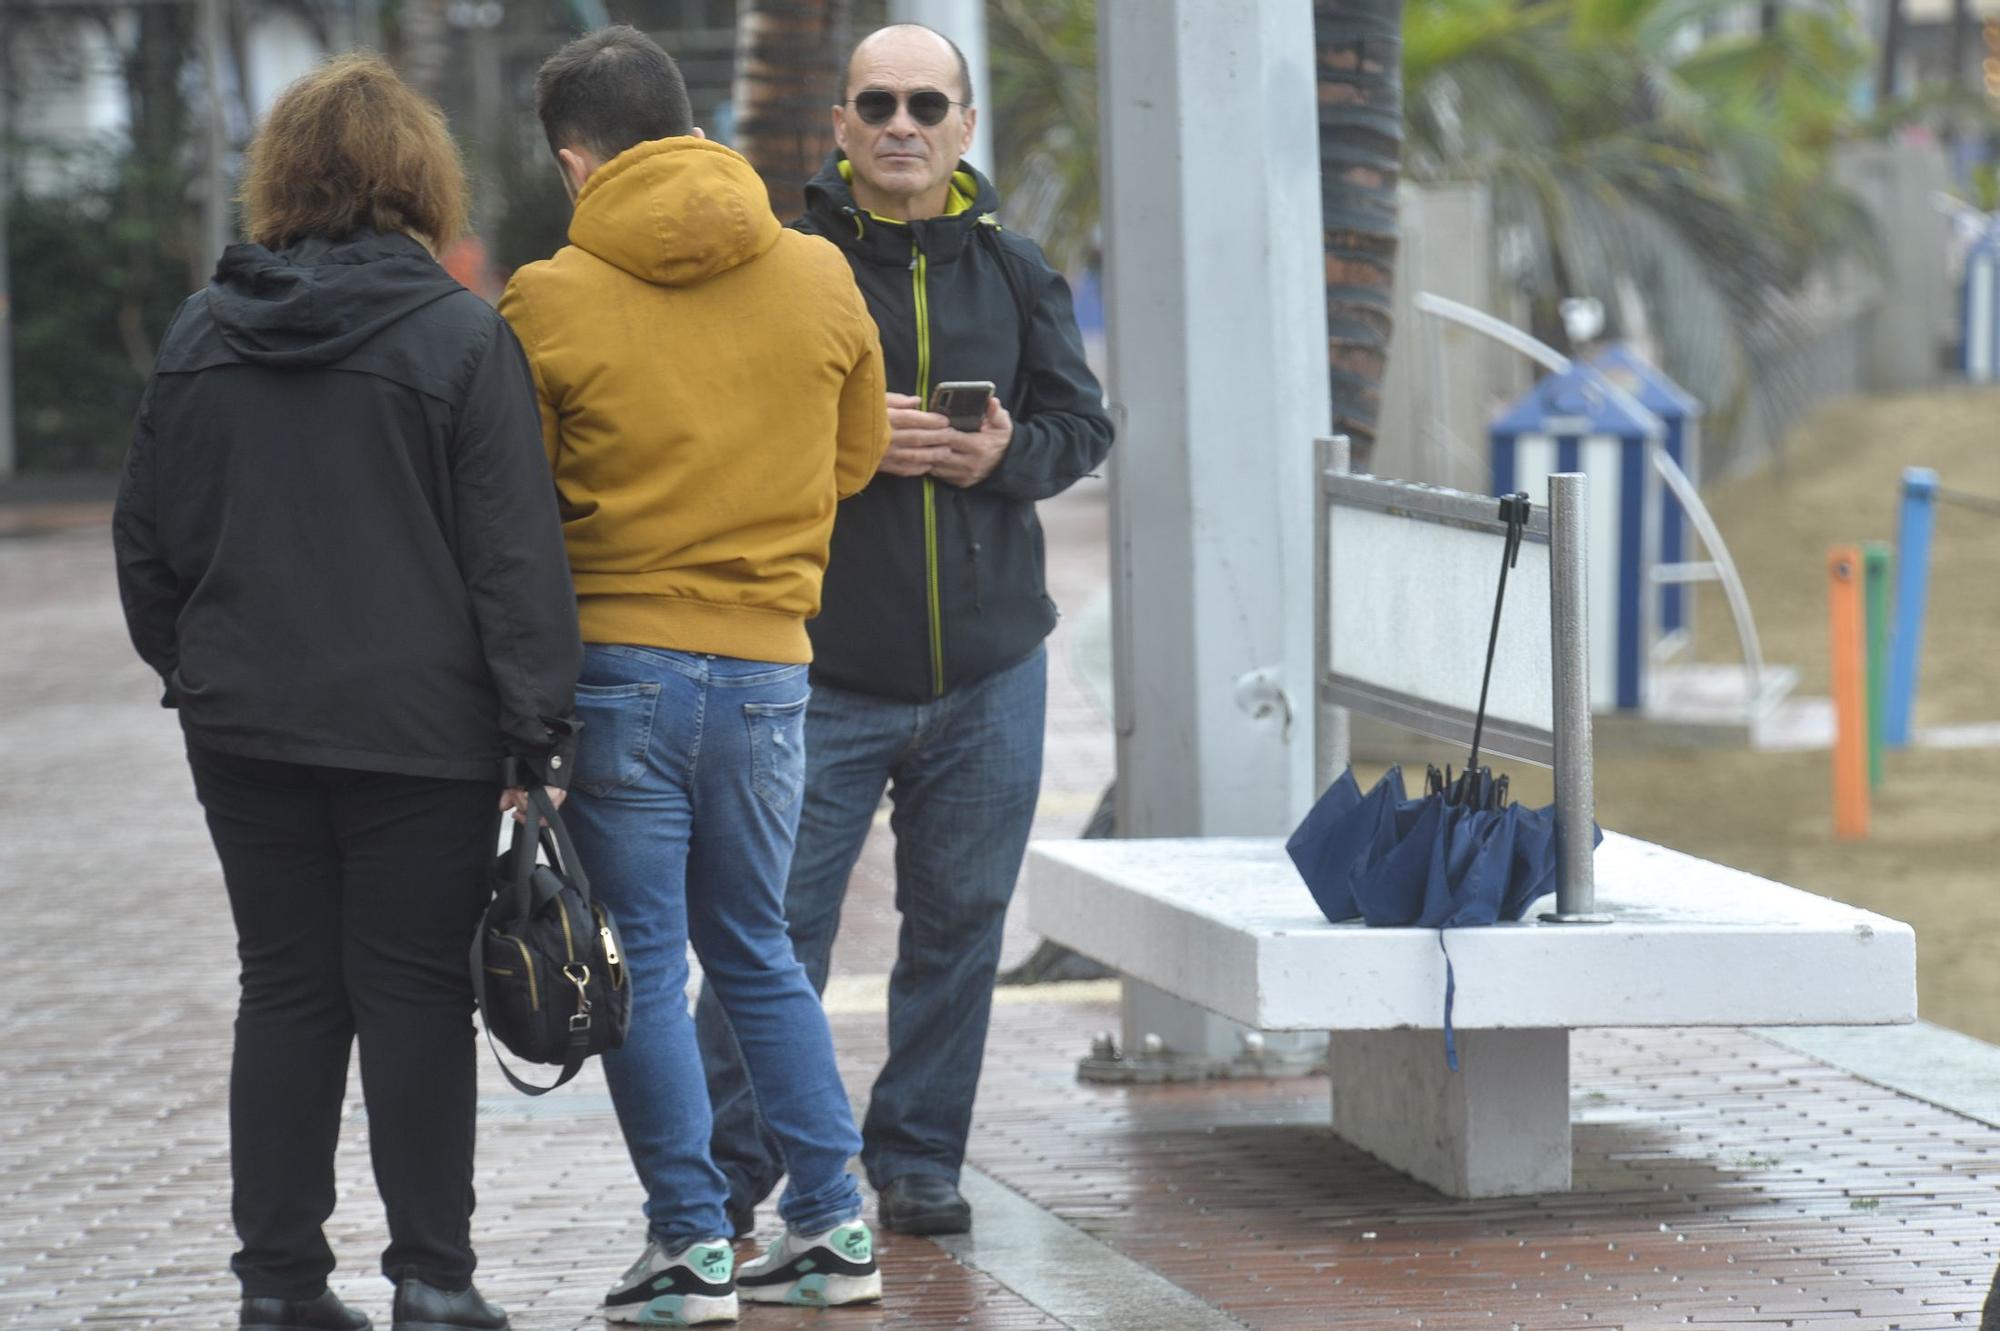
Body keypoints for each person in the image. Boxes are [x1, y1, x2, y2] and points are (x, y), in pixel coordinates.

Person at [111, 55, 580, 1331]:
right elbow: (511, 554)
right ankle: (434, 1276)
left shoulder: (203, 332)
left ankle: (279, 1290)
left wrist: (197, 668)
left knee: (286, 987)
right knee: (413, 989)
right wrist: (536, 731)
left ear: (281, 177)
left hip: (244, 723)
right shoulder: (458, 335)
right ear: (420, 178)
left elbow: (143, 542)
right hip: (419, 735)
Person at [694, 22, 1115, 1238]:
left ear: (963, 128)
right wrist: (840, 442)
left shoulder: (1014, 267)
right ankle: (730, 1175)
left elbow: (1077, 429)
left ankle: (920, 1155)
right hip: (821, 670)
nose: (900, 126)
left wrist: (1000, 455)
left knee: (959, 927)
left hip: (988, 671)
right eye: (875, 103)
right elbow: (719, 436)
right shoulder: (782, 263)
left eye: (926, 105)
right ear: (836, 124)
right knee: (772, 933)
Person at [497, 27, 889, 1325]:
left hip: (623, 670)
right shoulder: (822, 273)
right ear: (691, 121)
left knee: (645, 965)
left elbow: (523, 504)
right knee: (761, 951)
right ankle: (833, 1223)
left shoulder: (547, 297)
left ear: (576, 157)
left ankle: (691, 1242)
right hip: (774, 664)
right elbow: (854, 455)